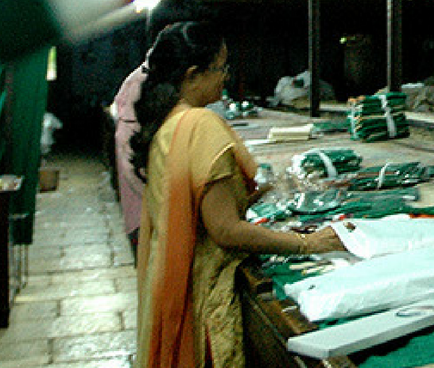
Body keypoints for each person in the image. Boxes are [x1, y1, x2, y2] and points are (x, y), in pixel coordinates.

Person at [133, 21, 346, 368]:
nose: (225, 77)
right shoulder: (200, 125)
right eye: (220, 68)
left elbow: (194, 210)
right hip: (202, 292)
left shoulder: (168, 124)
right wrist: (307, 244)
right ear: (192, 75)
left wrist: (258, 191)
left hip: (171, 280)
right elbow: (224, 230)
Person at [112, 0, 208, 256]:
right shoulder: (139, 86)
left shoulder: (172, 79)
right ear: (170, 32)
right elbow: (133, 164)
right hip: (151, 221)